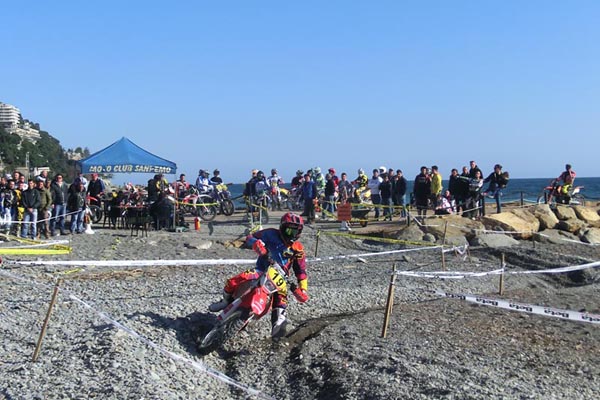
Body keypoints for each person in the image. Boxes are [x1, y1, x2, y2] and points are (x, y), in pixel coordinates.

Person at [208, 212, 309, 338]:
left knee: (282, 297)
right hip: (262, 269)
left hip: (280, 278)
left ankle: (278, 323)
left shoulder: (298, 248)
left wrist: (303, 290)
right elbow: (250, 237)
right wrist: (256, 244)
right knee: (236, 279)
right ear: (282, 227)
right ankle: (225, 301)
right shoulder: (270, 233)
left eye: (295, 232)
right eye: (289, 231)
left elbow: (301, 271)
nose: (291, 235)